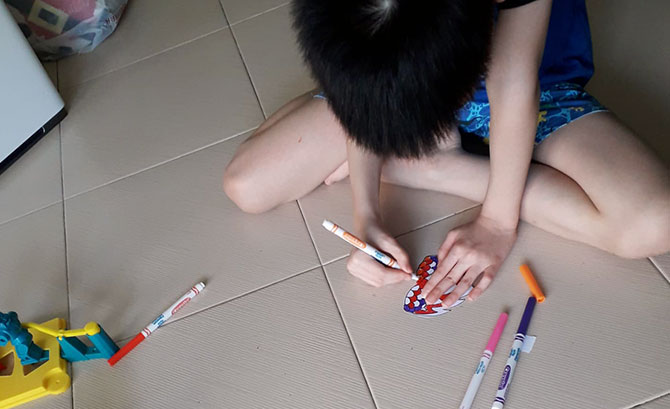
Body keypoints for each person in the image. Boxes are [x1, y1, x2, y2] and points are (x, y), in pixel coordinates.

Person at [223, 0, 669, 305]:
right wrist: (368, 215)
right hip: (399, 81)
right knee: (249, 185)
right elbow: (358, 92)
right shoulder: (378, 56)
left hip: (533, 88)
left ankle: (432, 166)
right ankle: (417, 146)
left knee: (652, 223)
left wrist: (496, 220)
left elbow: (512, 81)